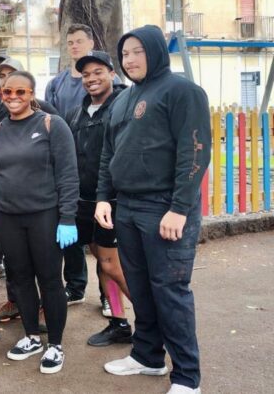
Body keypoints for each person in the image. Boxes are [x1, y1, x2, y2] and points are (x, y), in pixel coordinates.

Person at [96, 25, 210, 394]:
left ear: (156, 51)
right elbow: (109, 154)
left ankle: (187, 377)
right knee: (141, 288)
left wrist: (179, 208)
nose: (129, 60)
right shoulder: (124, 99)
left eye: (137, 52)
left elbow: (194, 151)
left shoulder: (182, 91)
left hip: (165, 207)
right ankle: (147, 356)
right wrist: (103, 197)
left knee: (170, 291)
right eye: (125, 54)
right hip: (127, 207)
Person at [0, 70, 79, 374]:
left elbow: (68, 174)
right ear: (1, 94)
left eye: (21, 92)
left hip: (45, 216)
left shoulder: (51, 124)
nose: (14, 98)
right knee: (19, 279)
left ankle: (55, 345)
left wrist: (68, 217)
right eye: (8, 92)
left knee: (49, 279)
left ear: (32, 94)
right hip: (8, 218)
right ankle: (31, 336)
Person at [64, 51, 132, 346]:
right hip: (85, 201)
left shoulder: (125, 105)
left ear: (112, 74)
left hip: (114, 201)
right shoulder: (78, 112)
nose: (91, 78)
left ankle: (155, 323)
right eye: (86, 74)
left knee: (114, 265)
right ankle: (119, 322)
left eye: (98, 72)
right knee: (104, 264)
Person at [45, 23, 97, 305]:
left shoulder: (100, 79)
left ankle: (107, 297)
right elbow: (50, 121)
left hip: (94, 165)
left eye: (79, 41)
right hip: (63, 165)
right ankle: (76, 286)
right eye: (70, 42)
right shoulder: (57, 83)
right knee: (70, 228)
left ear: (90, 43)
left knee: (102, 240)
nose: (75, 46)